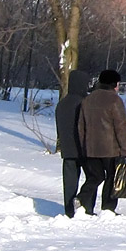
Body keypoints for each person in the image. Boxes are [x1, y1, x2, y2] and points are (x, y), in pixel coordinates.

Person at [76, 69, 126, 215]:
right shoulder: (115, 100)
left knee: (95, 177)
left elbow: (81, 126)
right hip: (111, 148)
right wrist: (125, 148)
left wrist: (83, 146)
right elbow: (121, 126)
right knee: (111, 178)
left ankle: (84, 203)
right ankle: (108, 208)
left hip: (91, 148)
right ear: (114, 84)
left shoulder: (88, 99)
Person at [54, 69, 91, 218]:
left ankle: (69, 210)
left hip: (67, 150)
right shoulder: (84, 103)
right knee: (92, 177)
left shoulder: (62, 104)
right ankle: (86, 207)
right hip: (84, 149)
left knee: (69, 183)